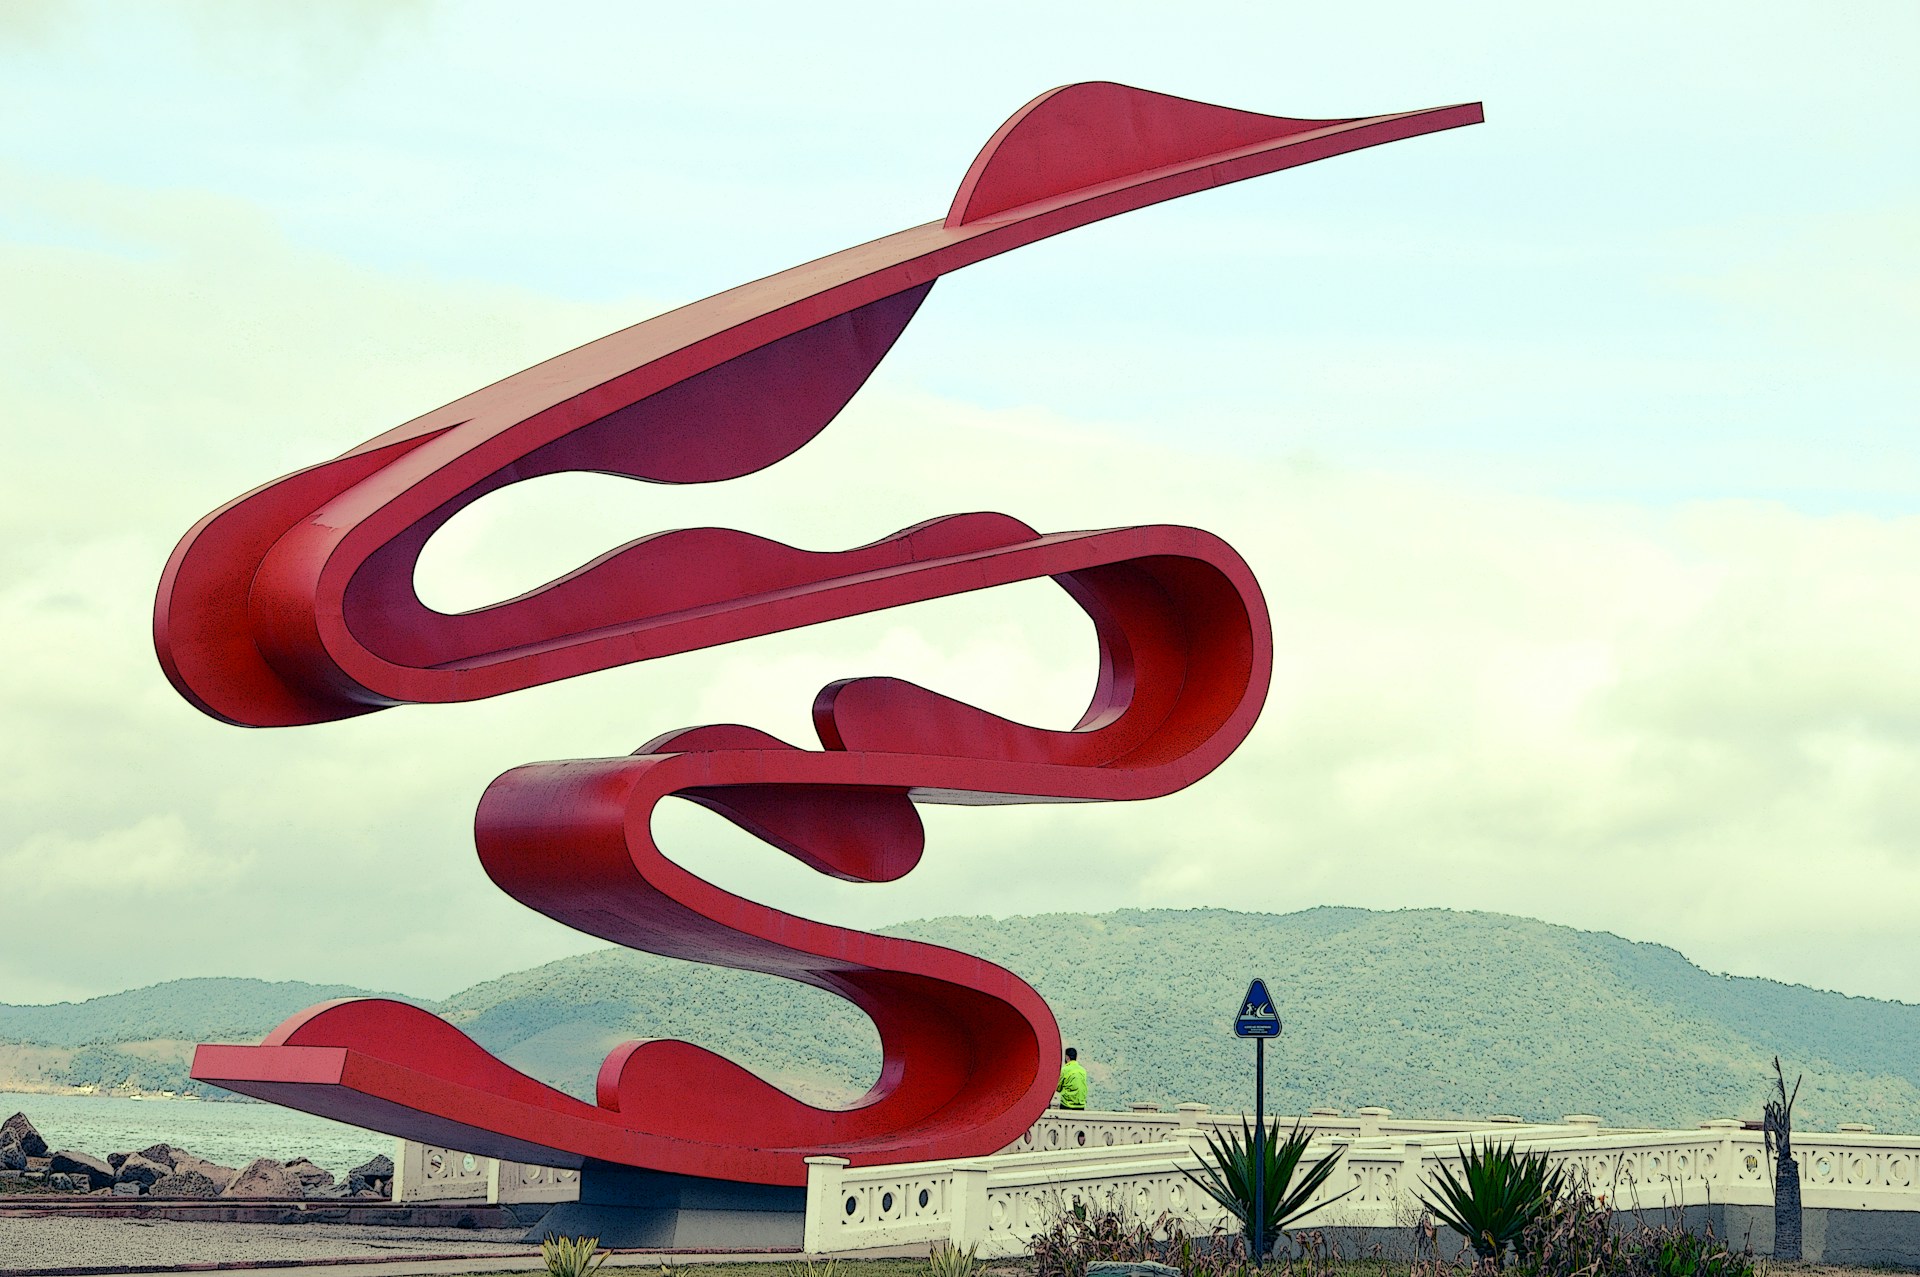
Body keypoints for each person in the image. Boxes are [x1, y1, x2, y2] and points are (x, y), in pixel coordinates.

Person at [1056, 1046, 1088, 1110]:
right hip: (1081, 1105)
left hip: (1067, 1105)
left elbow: (1058, 1088)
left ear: (1067, 1057)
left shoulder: (1064, 1070)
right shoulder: (1083, 1070)